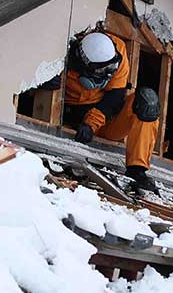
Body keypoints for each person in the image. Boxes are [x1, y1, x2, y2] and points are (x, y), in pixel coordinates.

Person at [63, 31, 161, 193]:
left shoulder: (119, 50)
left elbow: (114, 99)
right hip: (70, 115)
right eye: (102, 71)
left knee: (147, 101)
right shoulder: (63, 54)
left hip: (105, 119)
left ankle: (137, 169)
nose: (107, 74)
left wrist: (91, 124)